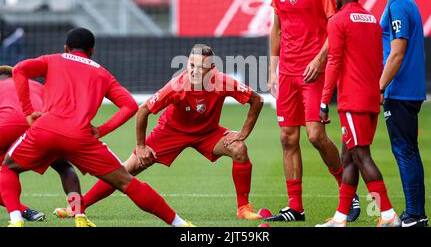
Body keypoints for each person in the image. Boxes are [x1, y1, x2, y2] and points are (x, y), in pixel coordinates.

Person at [1, 28, 193, 227]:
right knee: (126, 182)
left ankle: (16, 220)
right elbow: (129, 105)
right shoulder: (103, 74)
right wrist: (102, 130)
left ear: (66, 48)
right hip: (80, 137)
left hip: (45, 130)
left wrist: (28, 111)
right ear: (92, 51)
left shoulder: (53, 59)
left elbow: (19, 69)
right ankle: (179, 224)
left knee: (8, 168)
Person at [54, 44, 265, 221]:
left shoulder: (223, 82)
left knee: (239, 149)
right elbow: (143, 110)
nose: (194, 71)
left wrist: (243, 133)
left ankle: (243, 208)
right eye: (191, 65)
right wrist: (141, 146)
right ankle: (78, 206)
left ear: (212, 70)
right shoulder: (176, 86)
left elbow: (257, 100)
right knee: (125, 170)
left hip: (207, 133)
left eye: (200, 67)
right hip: (170, 132)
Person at [266, 0, 359, 222]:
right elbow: (277, 28)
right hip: (287, 71)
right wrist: (272, 69)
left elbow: (336, 25)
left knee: (316, 135)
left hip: (313, 71)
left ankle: (348, 194)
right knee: (287, 137)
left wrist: (320, 60)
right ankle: (295, 207)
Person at [315, 0, 401, 227]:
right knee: (349, 157)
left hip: (352, 101)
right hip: (370, 98)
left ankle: (387, 214)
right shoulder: (372, 20)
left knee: (362, 156)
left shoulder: (338, 21)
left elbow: (333, 62)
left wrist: (323, 101)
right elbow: (377, 59)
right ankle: (341, 218)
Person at [369, 0, 428, 227]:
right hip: (406, 89)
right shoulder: (399, 3)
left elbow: (397, 53)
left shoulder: (397, 6)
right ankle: (416, 213)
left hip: (401, 89)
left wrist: (379, 87)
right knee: (408, 151)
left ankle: (415, 215)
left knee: (404, 151)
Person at [0, 65, 81, 223]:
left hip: (8, 125)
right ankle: (77, 210)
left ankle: (22, 212)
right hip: (42, 126)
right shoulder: (37, 85)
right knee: (64, 167)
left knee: (8, 169)